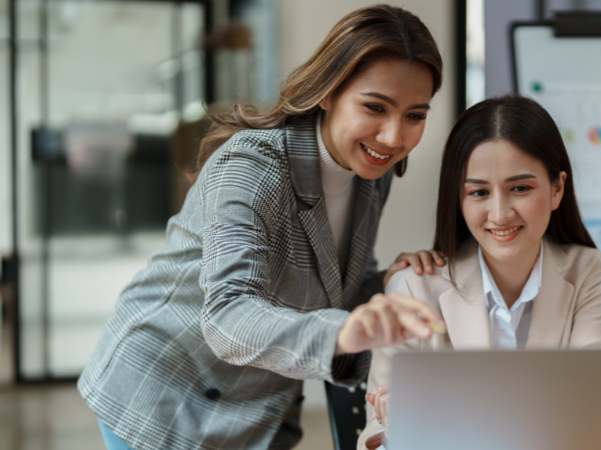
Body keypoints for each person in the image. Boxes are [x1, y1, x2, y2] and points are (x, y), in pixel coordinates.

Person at [78, 5, 449, 450]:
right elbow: (228, 315)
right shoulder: (252, 167)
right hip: (165, 394)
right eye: (375, 107)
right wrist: (345, 331)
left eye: (415, 115)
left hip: (257, 403)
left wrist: (385, 283)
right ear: (328, 91)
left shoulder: (374, 174)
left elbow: (331, 289)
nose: (393, 138)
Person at [358, 95, 601, 450]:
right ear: (458, 200)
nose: (500, 214)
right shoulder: (413, 288)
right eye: (478, 192)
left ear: (557, 189)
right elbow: (374, 436)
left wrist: (439, 412)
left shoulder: (585, 270)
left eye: (520, 188)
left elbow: (595, 406)